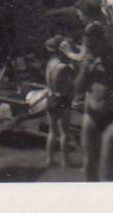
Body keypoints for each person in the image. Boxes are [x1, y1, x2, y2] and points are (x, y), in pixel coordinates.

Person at [75, 22, 113, 181]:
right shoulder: (88, 58)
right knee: (89, 164)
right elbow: (77, 89)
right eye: (88, 47)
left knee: (109, 168)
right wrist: (85, 71)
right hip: (91, 114)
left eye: (93, 46)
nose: (90, 50)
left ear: (102, 41)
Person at [43, 36, 77, 168]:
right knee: (64, 132)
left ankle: (49, 159)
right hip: (62, 99)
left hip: (50, 98)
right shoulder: (64, 67)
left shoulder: (50, 62)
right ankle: (66, 160)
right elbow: (75, 78)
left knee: (52, 131)